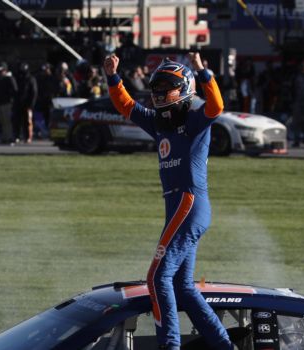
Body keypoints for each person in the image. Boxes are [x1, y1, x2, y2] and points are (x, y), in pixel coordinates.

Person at [104, 52, 234, 350]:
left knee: (157, 277)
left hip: (189, 205)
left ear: (185, 87)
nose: (159, 92)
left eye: (166, 86)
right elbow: (126, 106)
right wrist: (113, 77)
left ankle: (169, 346)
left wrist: (203, 72)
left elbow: (217, 106)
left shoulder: (194, 120)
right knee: (182, 286)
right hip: (179, 209)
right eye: (156, 86)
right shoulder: (159, 123)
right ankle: (224, 346)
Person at [0, 62, 18, 144]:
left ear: (5, 70)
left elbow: (14, 90)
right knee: (2, 121)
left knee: (7, 121)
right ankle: (5, 137)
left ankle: (9, 137)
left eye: (1, 71)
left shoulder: (9, 78)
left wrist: (10, 99)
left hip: (7, 103)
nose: (0, 73)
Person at [13, 62, 37, 143]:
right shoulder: (18, 78)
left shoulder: (31, 79)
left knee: (27, 121)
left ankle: (28, 137)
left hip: (27, 104)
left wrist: (31, 104)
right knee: (17, 120)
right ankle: (17, 136)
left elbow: (34, 92)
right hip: (18, 103)